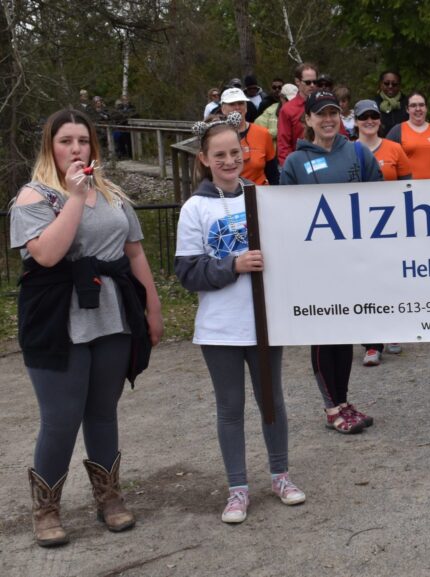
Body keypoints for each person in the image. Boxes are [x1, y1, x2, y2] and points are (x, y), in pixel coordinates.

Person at [10, 108, 163, 547]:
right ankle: (46, 508)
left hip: (113, 315)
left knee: (102, 411)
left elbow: (134, 254)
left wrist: (152, 306)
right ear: (50, 147)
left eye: (83, 141)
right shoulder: (33, 197)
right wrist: (74, 197)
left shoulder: (112, 193)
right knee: (61, 419)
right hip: (57, 319)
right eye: (66, 141)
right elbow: (47, 256)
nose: (76, 149)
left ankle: (109, 498)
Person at [175, 112, 306, 524]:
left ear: (245, 152)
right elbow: (187, 272)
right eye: (220, 155)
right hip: (220, 328)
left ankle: (280, 475)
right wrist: (232, 265)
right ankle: (237, 488)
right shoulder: (194, 208)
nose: (230, 161)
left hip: (265, 323)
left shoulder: (263, 197)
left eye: (236, 152)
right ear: (204, 159)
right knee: (230, 407)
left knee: (272, 401)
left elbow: (286, 255)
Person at [281, 91, 384, 432]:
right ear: (308, 119)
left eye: (333, 113)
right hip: (316, 266)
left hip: (353, 262)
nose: (328, 119)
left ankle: (343, 401)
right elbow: (286, 215)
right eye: (320, 114)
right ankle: (331, 408)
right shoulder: (296, 162)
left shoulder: (357, 152)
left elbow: (381, 201)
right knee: (324, 332)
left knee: (346, 330)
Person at [353, 99, 411, 362]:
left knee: (391, 278)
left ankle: (394, 328)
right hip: (358, 226)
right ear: (355, 121)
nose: (369, 121)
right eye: (363, 116)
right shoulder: (348, 151)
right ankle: (371, 345)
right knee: (365, 282)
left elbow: (408, 188)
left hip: (391, 226)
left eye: (373, 116)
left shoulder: (395, 149)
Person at [218, 88, 278, 186]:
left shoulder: (263, 133)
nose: (237, 107)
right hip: (228, 195)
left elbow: (273, 173)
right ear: (223, 109)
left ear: (246, 107)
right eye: (232, 104)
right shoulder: (216, 136)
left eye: (241, 103)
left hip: (258, 194)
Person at [386, 92, 430, 179]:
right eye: (413, 105)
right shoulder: (397, 131)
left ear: (426, 108)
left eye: (421, 105)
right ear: (407, 109)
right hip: (409, 189)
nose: (418, 108)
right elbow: (387, 161)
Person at [277, 62, 319, 165]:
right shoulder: (287, 109)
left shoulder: (325, 104)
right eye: (308, 82)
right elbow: (283, 145)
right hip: (299, 164)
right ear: (297, 81)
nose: (312, 85)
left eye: (315, 82)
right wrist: (290, 168)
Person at [374, 70, 409, 138]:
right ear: (381, 84)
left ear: (399, 85)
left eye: (394, 84)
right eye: (386, 83)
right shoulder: (373, 104)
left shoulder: (408, 103)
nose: (390, 86)